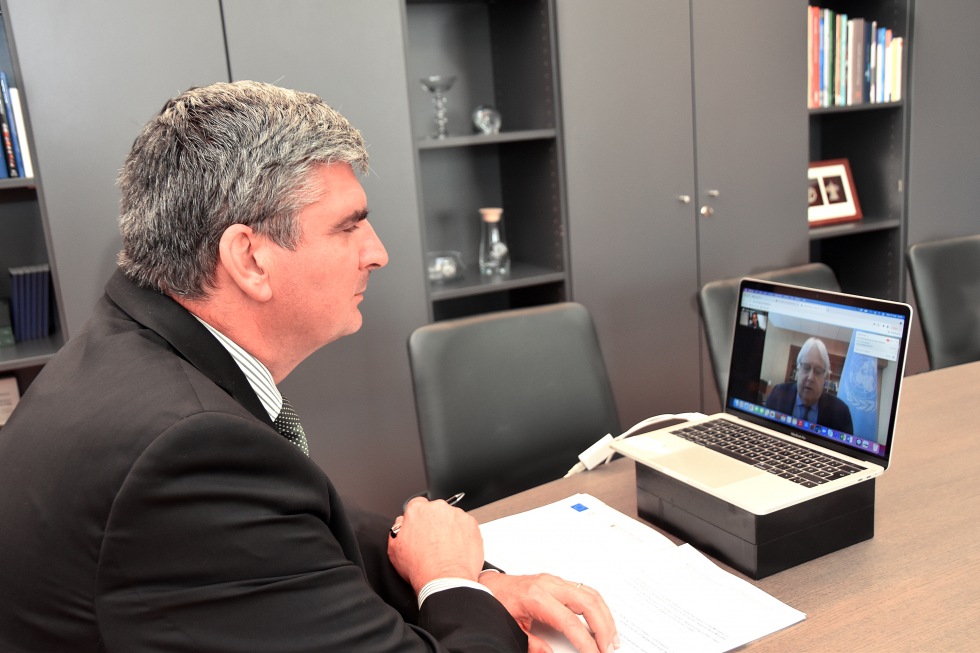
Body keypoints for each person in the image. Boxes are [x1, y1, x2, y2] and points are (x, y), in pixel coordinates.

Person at [0, 82, 618, 653]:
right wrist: (451, 582)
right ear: (249, 258)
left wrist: (462, 576)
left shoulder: (128, 349)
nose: (377, 253)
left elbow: (294, 532)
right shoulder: (185, 450)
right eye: (348, 226)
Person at [765, 337, 854, 434]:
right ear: (798, 370)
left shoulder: (841, 412)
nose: (810, 377)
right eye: (806, 368)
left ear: (825, 378)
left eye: (818, 371)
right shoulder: (778, 393)